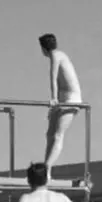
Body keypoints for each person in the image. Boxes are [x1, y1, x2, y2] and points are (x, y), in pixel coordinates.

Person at [39, 33, 82, 174]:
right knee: (49, 134)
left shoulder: (55, 55)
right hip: (63, 100)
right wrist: (55, 105)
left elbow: (52, 78)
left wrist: (53, 99)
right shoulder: (58, 55)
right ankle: (47, 171)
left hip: (71, 100)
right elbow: (58, 81)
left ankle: (47, 167)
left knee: (58, 135)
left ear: (43, 48)